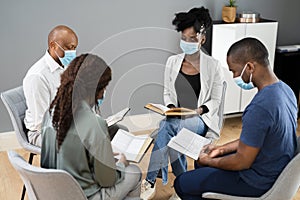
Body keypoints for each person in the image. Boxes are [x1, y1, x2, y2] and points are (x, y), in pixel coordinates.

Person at [173, 38, 298, 199]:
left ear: (250, 67)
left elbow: (241, 162)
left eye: (235, 71)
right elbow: (259, 139)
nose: (234, 76)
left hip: (257, 181)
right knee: (202, 161)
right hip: (275, 167)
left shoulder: (260, 107)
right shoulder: (286, 91)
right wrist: (221, 149)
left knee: (182, 183)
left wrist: (209, 162)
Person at [141, 7, 225, 199]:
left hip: (200, 119)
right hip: (177, 118)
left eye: (192, 39)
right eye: (184, 38)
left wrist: (197, 110)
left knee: (167, 127)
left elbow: (216, 100)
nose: (187, 42)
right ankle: (184, 185)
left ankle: (150, 180)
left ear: (202, 39)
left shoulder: (213, 66)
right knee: (170, 129)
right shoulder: (172, 62)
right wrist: (170, 108)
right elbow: (167, 93)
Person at [41, 54, 142, 200]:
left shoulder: (51, 113)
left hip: (53, 192)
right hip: (84, 196)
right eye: (104, 88)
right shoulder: (94, 125)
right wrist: (121, 164)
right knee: (134, 171)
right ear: (98, 90)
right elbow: (107, 180)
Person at [23, 25, 78, 147]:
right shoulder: (38, 76)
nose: (73, 53)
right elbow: (42, 123)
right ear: (53, 45)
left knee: (115, 130)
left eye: (74, 48)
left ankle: (115, 163)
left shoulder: (66, 67)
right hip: (43, 133)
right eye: (69, 48)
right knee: (81, 145)